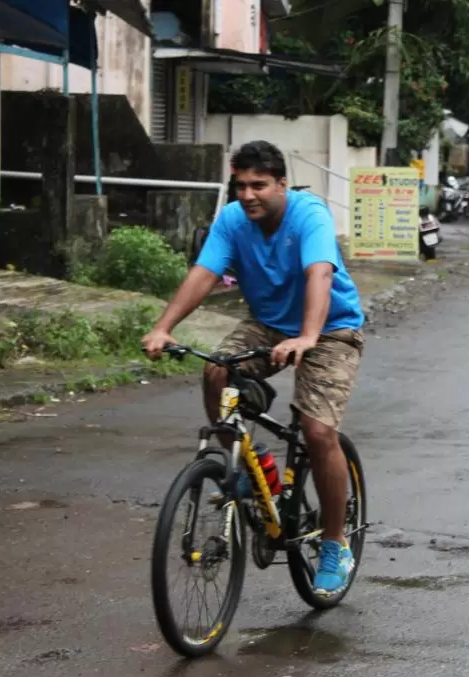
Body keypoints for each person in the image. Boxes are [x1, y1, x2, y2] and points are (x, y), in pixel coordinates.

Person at [142, 141, 366, 597]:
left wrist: (306, 337)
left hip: (329, 329)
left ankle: (334, 542)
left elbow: (319, 274)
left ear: (282, 184)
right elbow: (203, 274)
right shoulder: (232, 220)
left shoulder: (310, 215)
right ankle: (248, 470)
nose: (248, 195)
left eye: (259, 185)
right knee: (216, 373)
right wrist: (163, 327)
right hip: (266, 326)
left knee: (317, 432)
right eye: (240, 185)